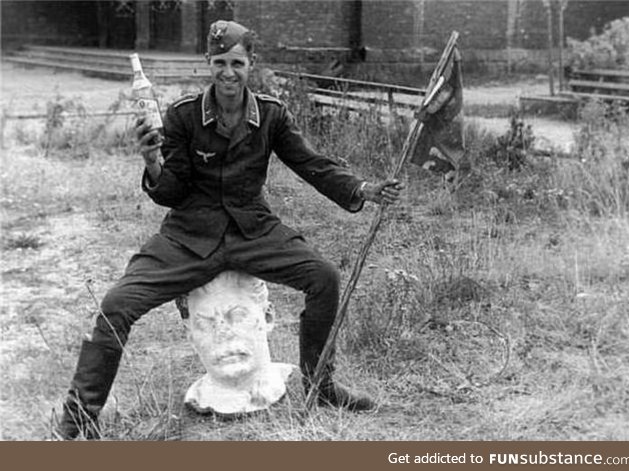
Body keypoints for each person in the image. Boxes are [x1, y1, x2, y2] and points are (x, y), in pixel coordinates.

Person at [57, 20, 404, 440]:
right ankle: (78, 419)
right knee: (117, 304)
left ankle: (322, 386)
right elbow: (170, 191)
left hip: (253, 230)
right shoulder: (183, 115)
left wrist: (362, 189)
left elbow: (310, 164)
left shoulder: (272, 114)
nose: (227, 73)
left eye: (236, 63)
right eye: (219, 62)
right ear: (208, 63)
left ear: (250, 64)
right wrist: (152, 163)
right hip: (189, 234)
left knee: (324, 278)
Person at [180, 271, 295, 416]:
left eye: (237, 316)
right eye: (205, 323)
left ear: (267, 317)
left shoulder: (301, 381)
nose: (222, 334)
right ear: (190, 335)